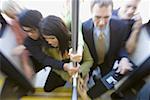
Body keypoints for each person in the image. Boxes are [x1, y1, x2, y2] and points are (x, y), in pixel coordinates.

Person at [82, 0, 132, 99]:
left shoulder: (121, 26)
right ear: (91, 12)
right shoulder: (83, 27)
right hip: (91, 62)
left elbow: (121, 46)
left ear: (111, 13)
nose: (101, 23)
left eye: (106, 17)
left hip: (108, 62)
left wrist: (124, 58)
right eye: (97, 17)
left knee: (105, 83)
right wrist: (84, 71)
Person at [39, 15, 93, 96]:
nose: (49, 42)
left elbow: (89, 60)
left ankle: (86, 77)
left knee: (82, 91)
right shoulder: (47, 47)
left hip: (78, 68)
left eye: (52, 38)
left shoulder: (74, 41)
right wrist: (67, 76)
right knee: (47, 88)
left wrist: (79, 73)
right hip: (60, 68)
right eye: (46, 39)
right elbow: (53, 65)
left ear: (60, 34)